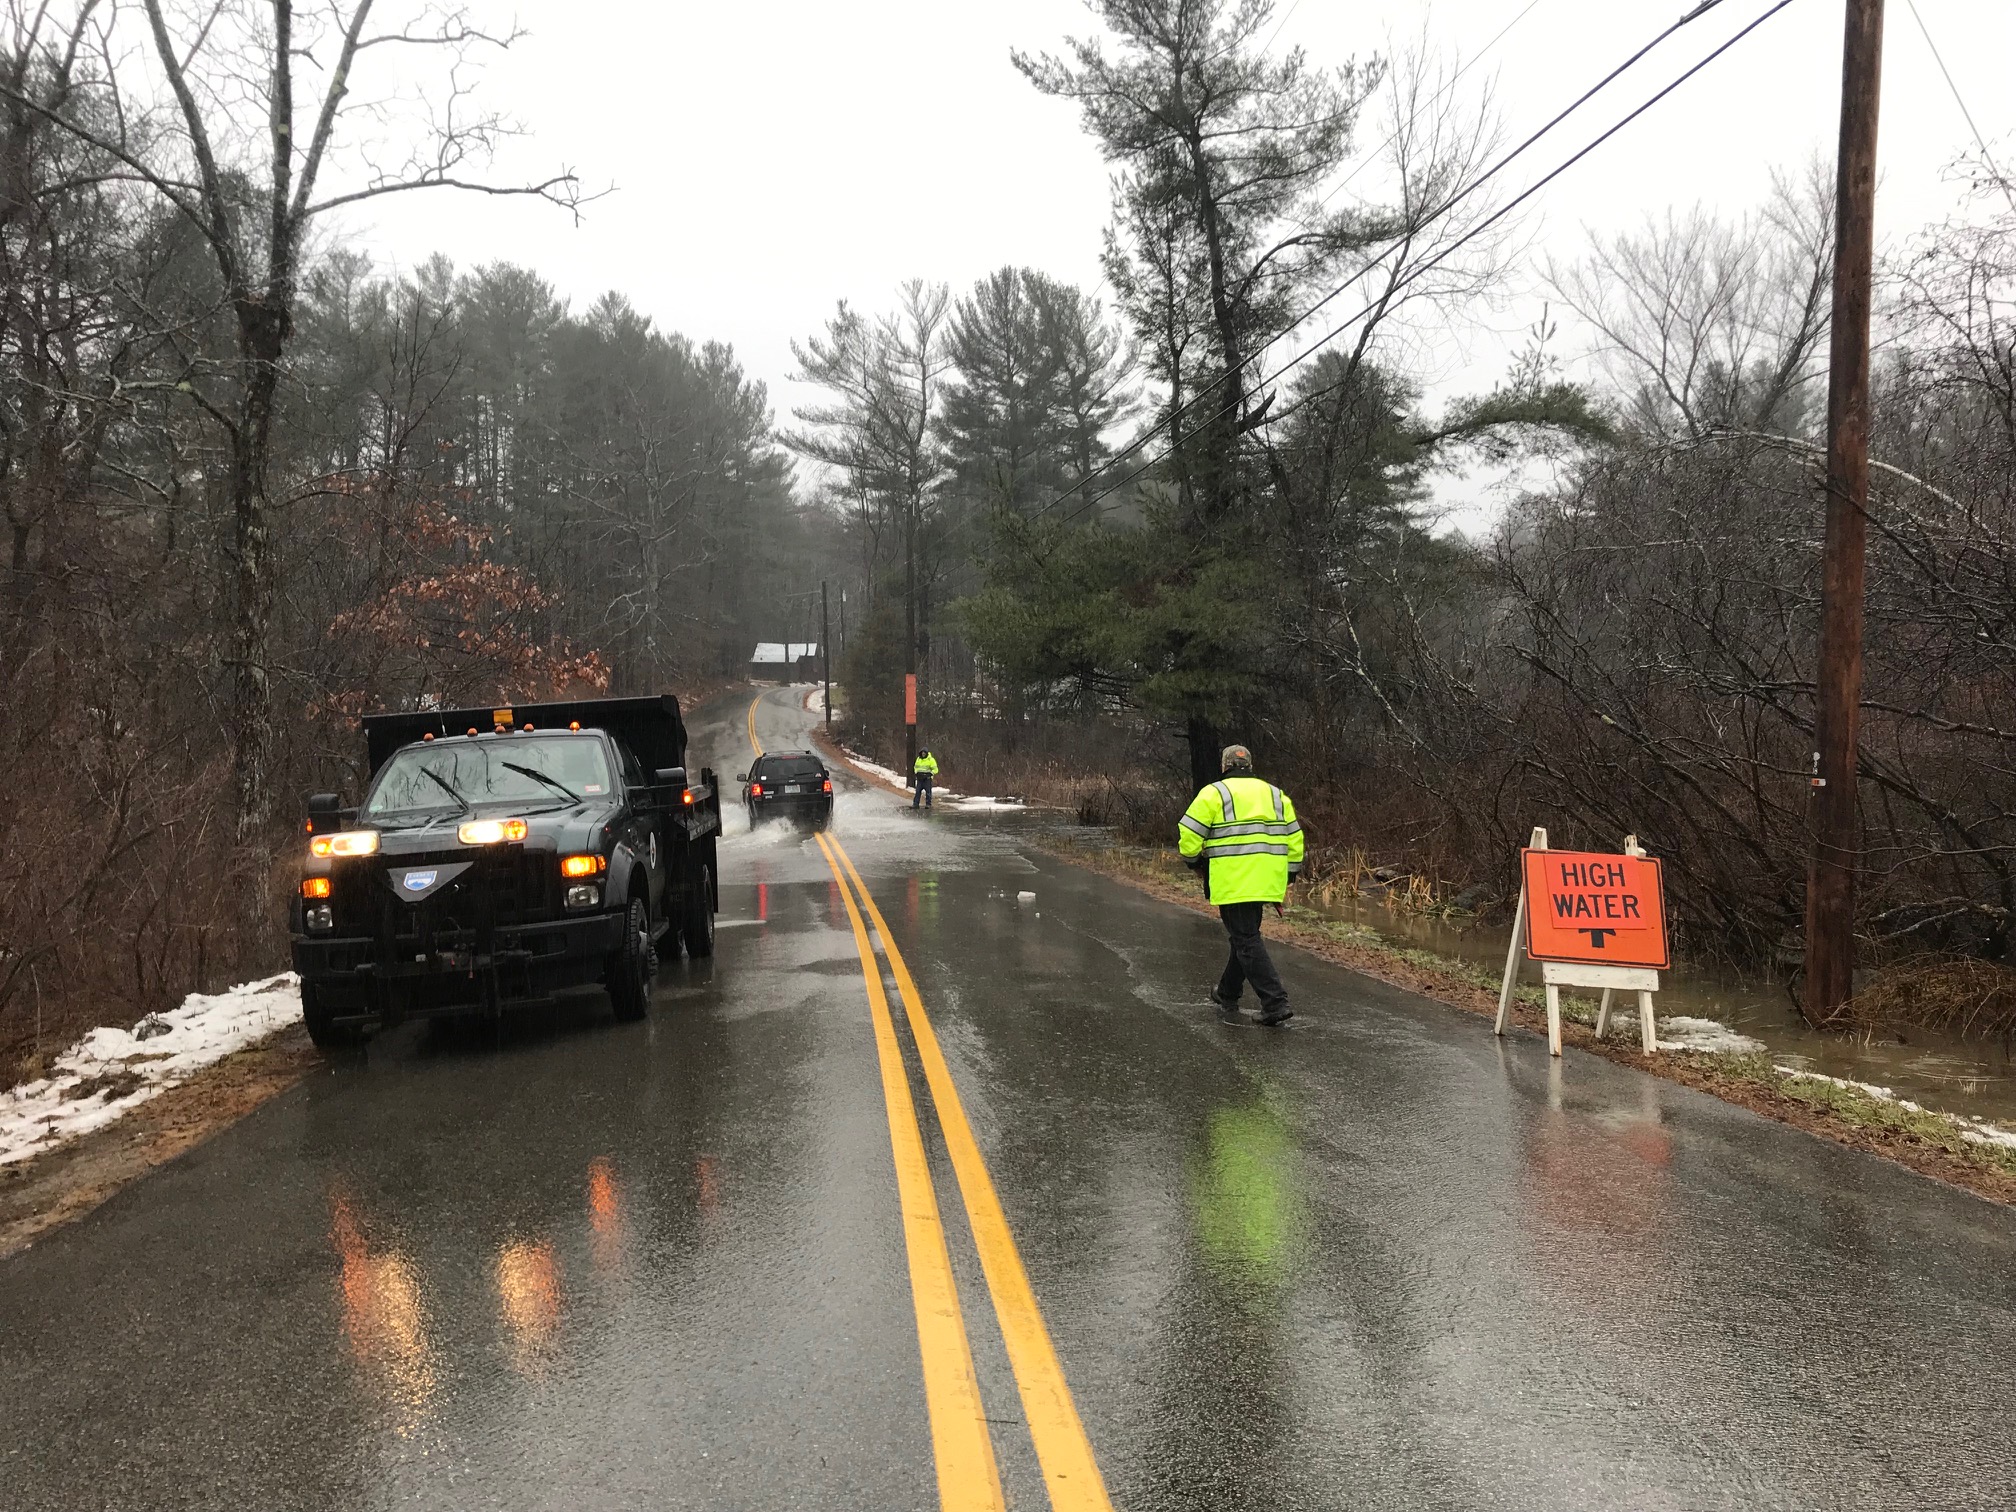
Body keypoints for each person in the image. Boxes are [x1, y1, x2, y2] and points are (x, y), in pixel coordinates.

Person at [1178, 744, 1304, 1026]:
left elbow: (1189, 831)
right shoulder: (1275, 793)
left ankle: (1275, 1002)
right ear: (1250, 765)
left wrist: (1192, 860)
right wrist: (1291, 873)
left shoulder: (1215, 793)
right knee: (1243, 935)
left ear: (1224, 767)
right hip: (1267, 878)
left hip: (1234, 877)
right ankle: (1228, 992)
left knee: (1246, 938)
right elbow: (1294, 836)